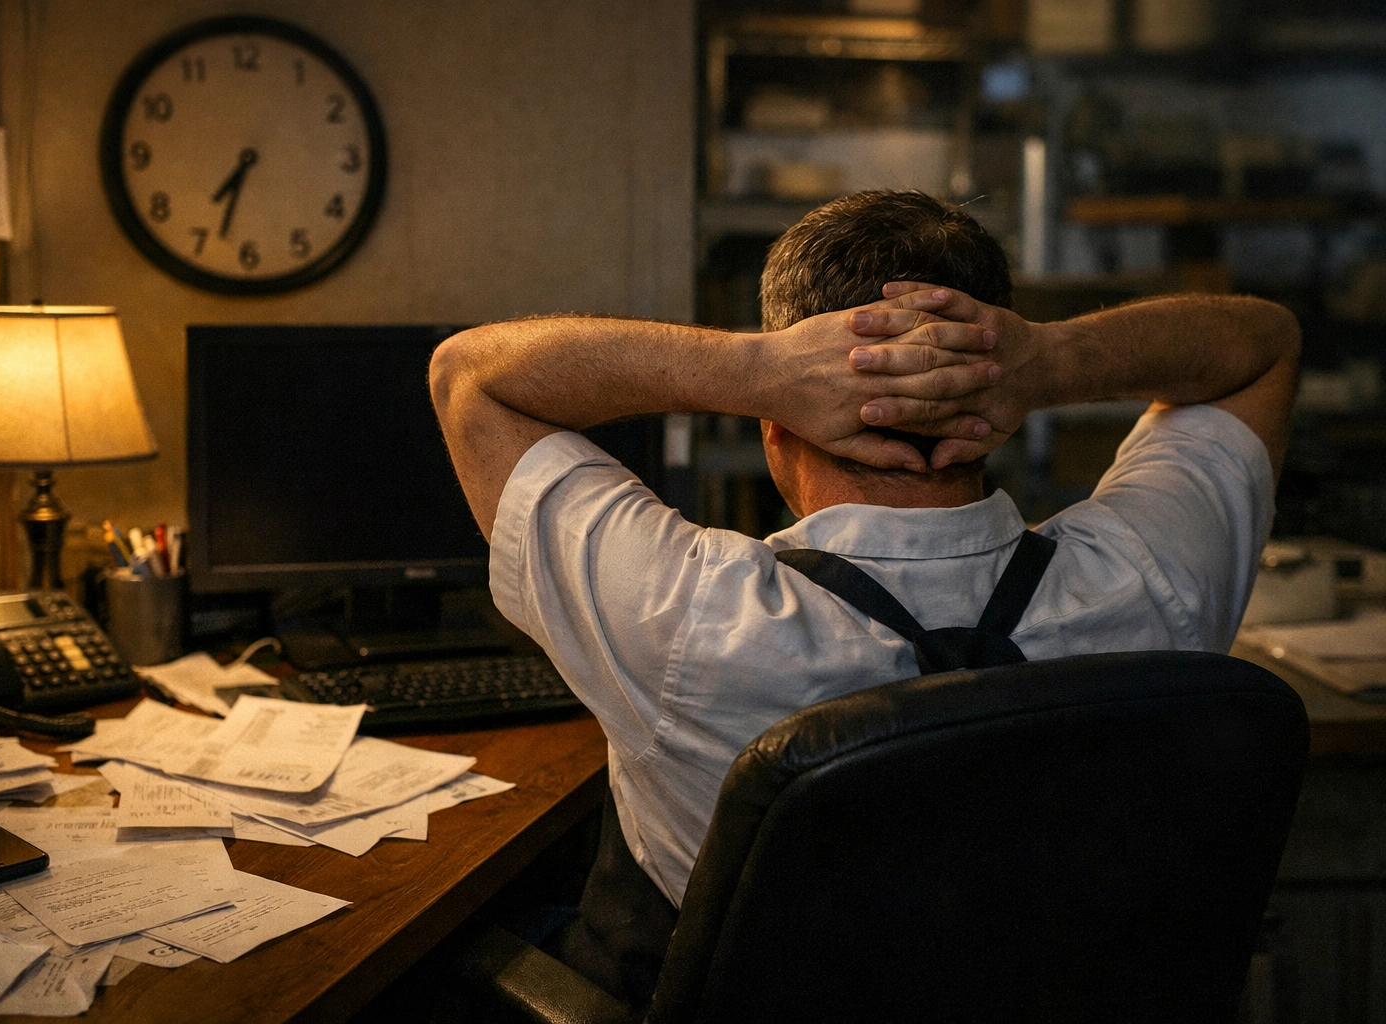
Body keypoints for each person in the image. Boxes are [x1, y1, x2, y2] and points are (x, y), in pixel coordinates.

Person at [429, 190, 1300, 1003]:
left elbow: (472, 375)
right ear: (998, 412)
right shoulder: (1151, 582)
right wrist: (1043, 360)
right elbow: (1261, 343)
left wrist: (752, 368)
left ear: (777, 429)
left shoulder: (689, 616)